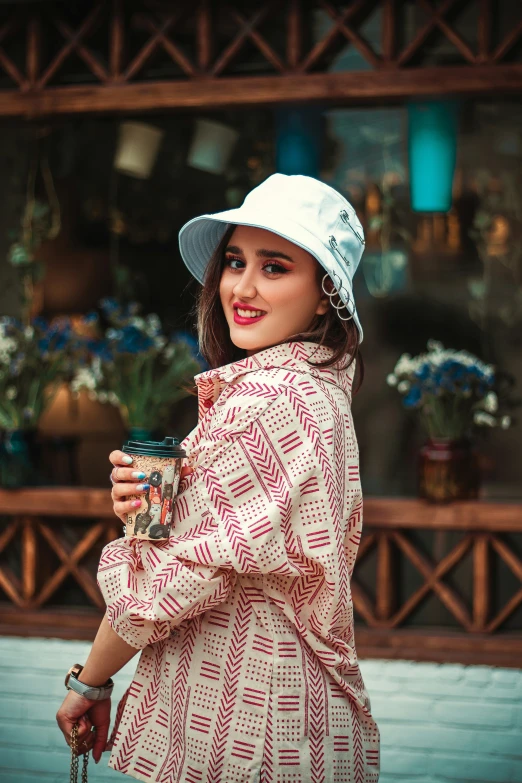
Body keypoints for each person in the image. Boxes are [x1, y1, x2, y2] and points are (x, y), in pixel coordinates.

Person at [56, 173, 381, 783]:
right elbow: (214, 548)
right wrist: (148, 517)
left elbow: (174, 578)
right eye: (235, 261)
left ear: (325, 296)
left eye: (276, 266)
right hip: (292, 722)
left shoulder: (268, 400)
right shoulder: (319, 392)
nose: (243, 287)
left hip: (247, 729)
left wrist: (89, 682)